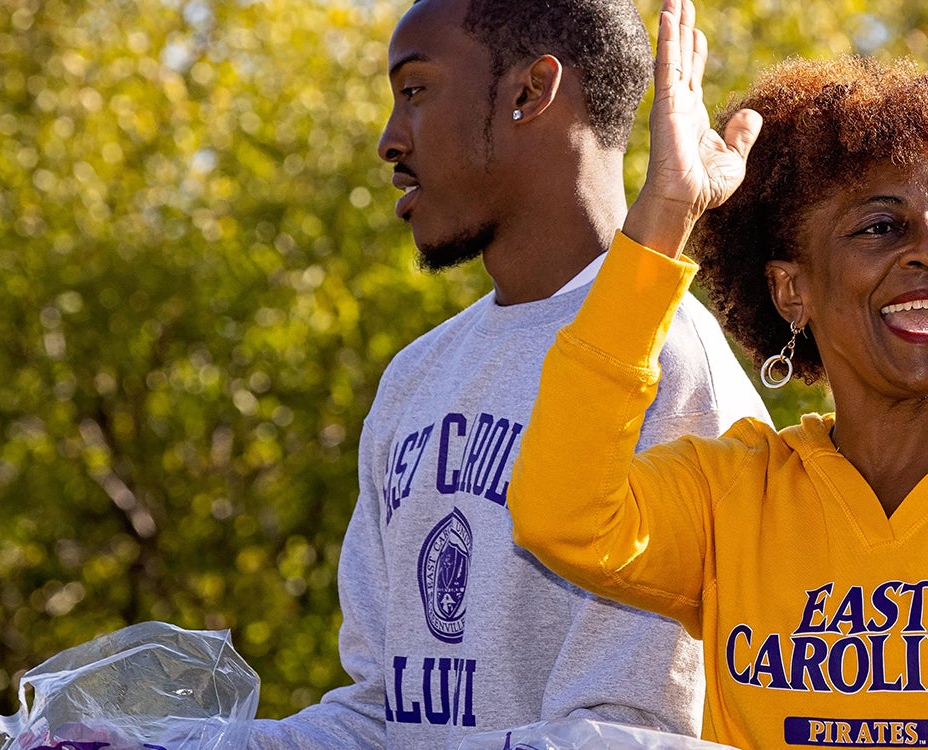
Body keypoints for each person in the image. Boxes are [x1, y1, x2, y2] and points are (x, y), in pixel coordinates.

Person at [506, 0, 928, 746]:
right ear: (791, 289)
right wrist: (666, 215)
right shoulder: (737, 493)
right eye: (879, 226)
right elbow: (561, 515)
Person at [249, 0, 770, 746]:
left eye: (416, 91)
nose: (389, 140)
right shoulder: (415, 376)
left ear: (530, 92)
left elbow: (639, 734)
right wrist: (175, 741)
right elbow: (374, 720)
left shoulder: (674, 368)